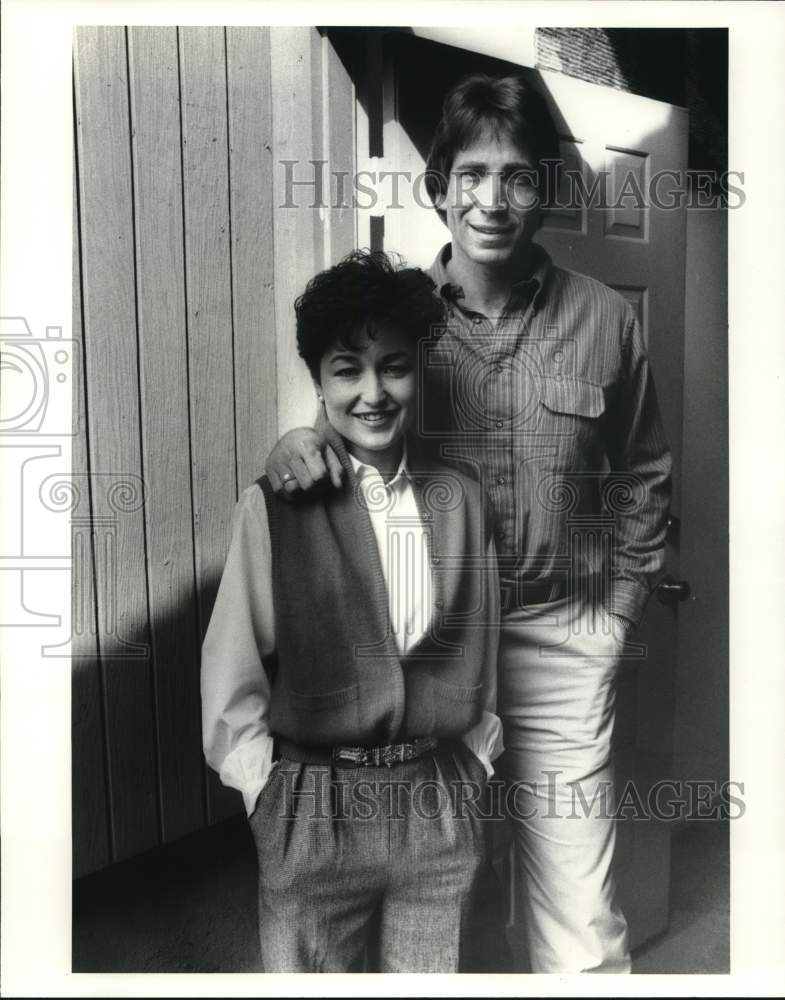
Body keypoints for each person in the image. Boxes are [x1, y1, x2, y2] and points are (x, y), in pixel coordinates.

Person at [264, 74, 672, 973]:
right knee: (444, 896)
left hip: (564, 636)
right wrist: (295, 438)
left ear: (546, 191)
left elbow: (644, 473)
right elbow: (347, 417)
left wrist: (621, 611)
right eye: (473, 173)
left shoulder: (605, 320)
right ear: (438, 186)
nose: (493, 199)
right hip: (428, 653)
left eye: (519, 175)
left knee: (578, 908)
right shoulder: (402, 322)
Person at [200, 250, 503, 973]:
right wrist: (268, 801)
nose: (373, 392)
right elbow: (232, 674)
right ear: (319, 382)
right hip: (314, 809)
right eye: (347, 369)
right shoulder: (276, 505)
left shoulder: (460, 501)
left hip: (437, 803)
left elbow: (483, 660)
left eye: (393, 366)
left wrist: (473, 768)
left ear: (416, 372)